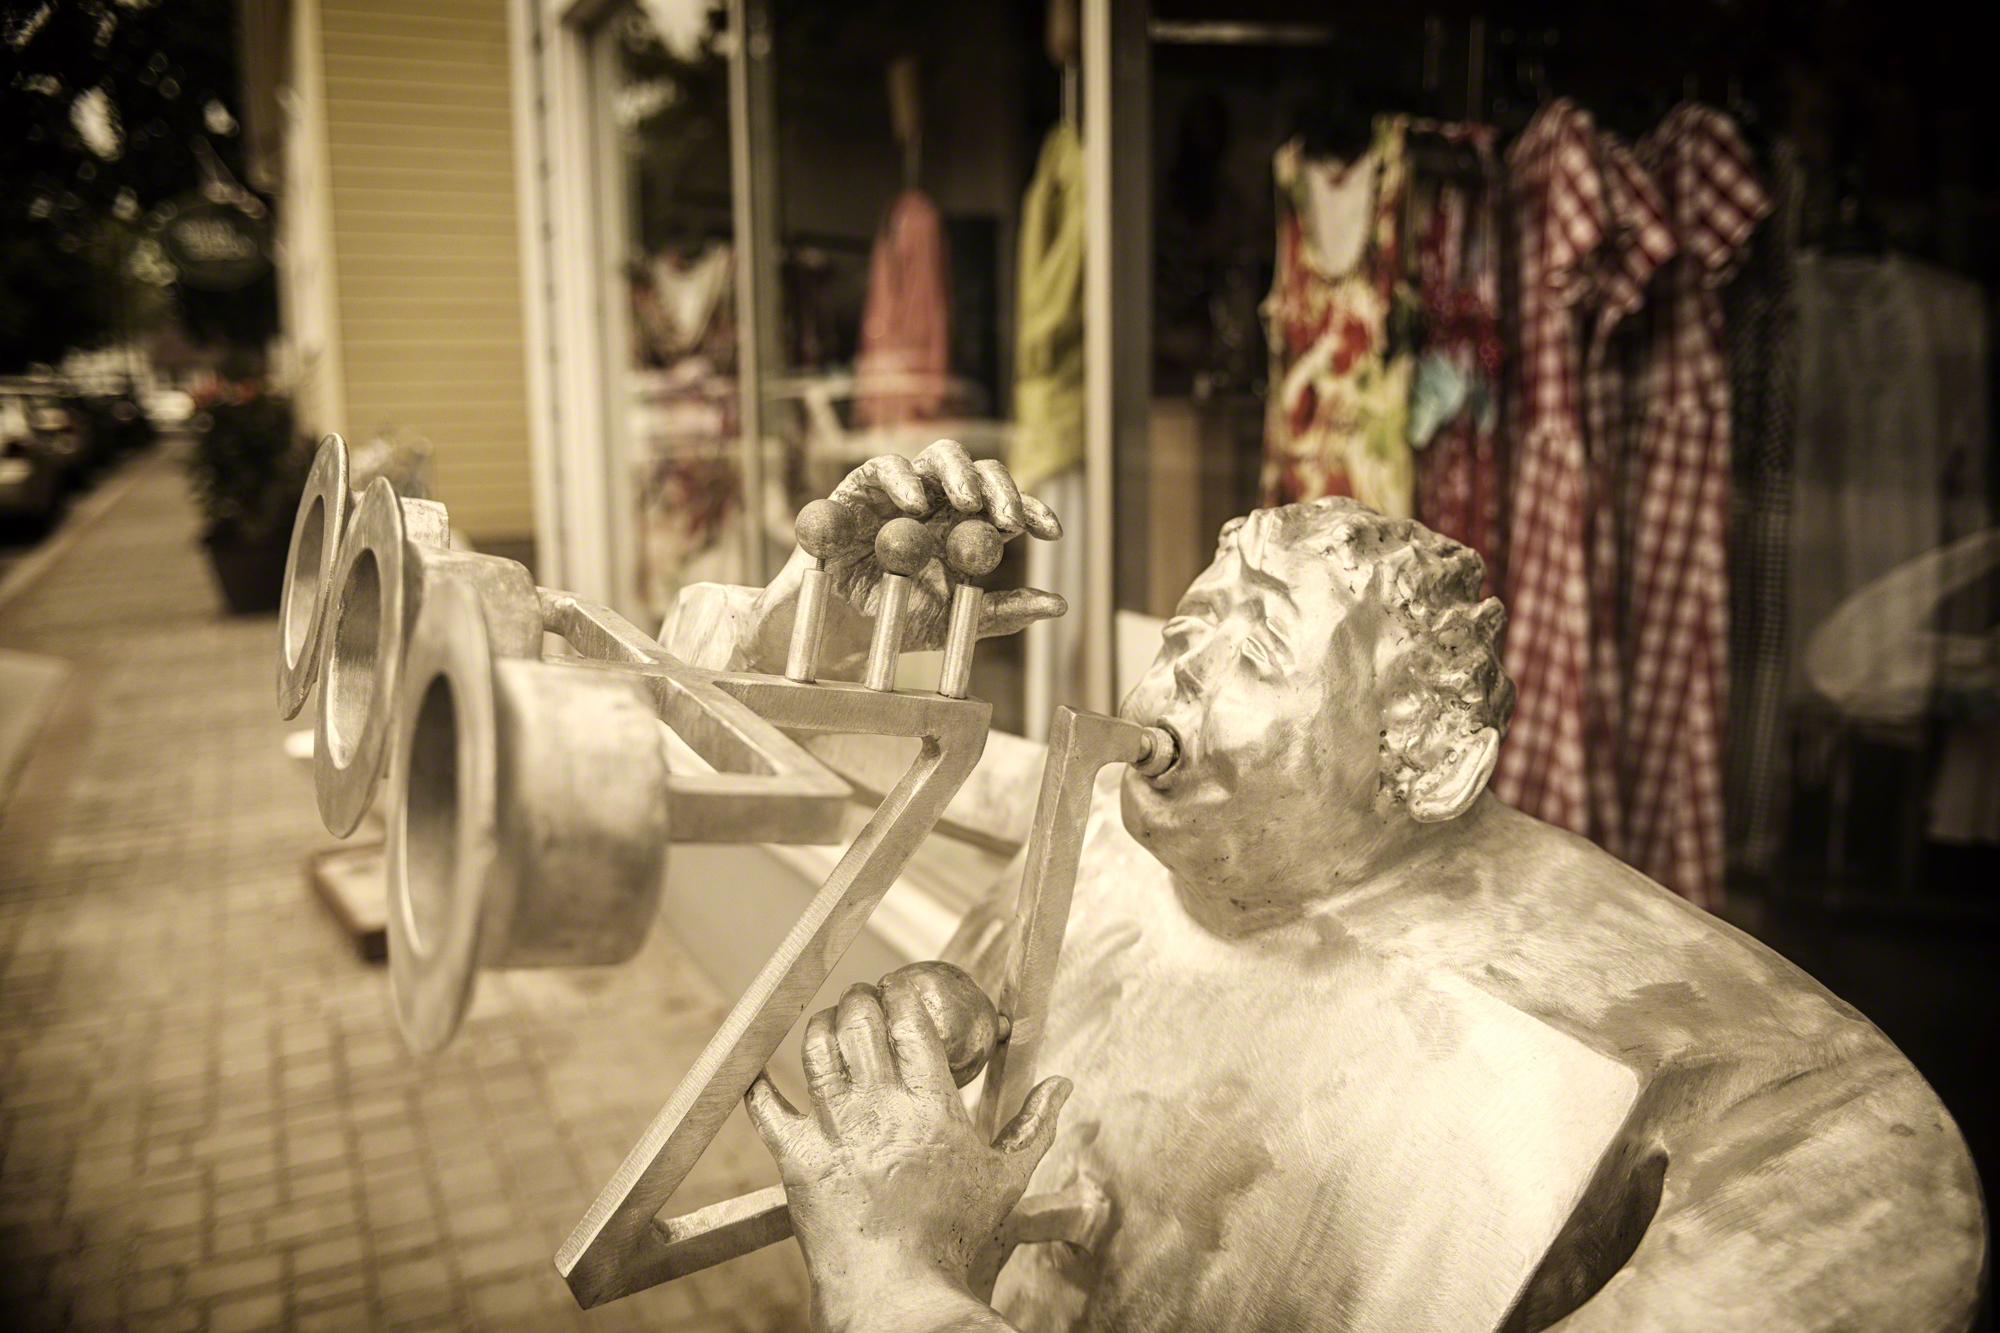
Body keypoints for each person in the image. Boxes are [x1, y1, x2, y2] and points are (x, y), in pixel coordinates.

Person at [660, 441, 1984, 1333]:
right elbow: (739, 744)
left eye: (1255, 650)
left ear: (1431, 758)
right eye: (1186, 625)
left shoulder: (1715, 1074)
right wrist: (818, 627)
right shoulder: (1117, 829)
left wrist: (897, 1286)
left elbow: (1873, 1195)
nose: (1178, 670)